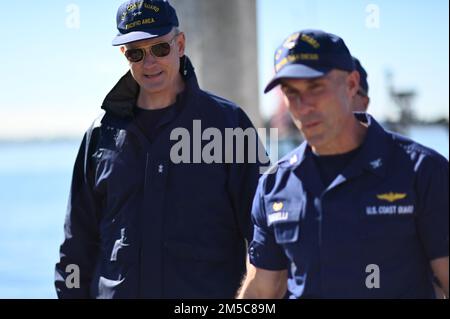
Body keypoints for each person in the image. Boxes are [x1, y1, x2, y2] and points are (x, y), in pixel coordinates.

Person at [55, 0, 265, 299]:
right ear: (124, 55)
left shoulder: (229, 125)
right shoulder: (100, 134)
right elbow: (76, 245)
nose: (149, 62)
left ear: (179, 44)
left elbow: (264, 237)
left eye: (160, 48)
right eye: (136, 53)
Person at [238, 29, 449, 299]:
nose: (304, 106)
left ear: (351, 84)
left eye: (316, 88)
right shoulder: (274, 185)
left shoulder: (423, 171)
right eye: (292, 93)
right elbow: (261, 290)